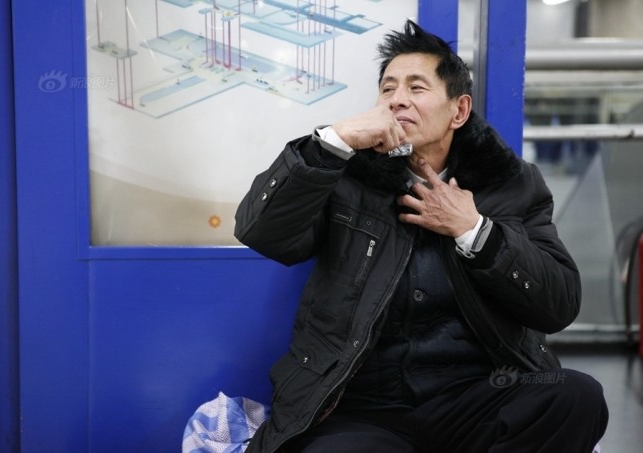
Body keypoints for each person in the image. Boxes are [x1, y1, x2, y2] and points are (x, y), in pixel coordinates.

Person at [234, 20, 608, 453]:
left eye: (416, 87)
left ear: (459, 111)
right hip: (363, 404)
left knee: (576, 396)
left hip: (474, 395)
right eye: (387, 89)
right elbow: (262, 232)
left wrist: (475, 231)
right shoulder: (345, 175)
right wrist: (332, 142)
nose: (397, 100)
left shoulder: (510, 184)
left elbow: (558, 304)